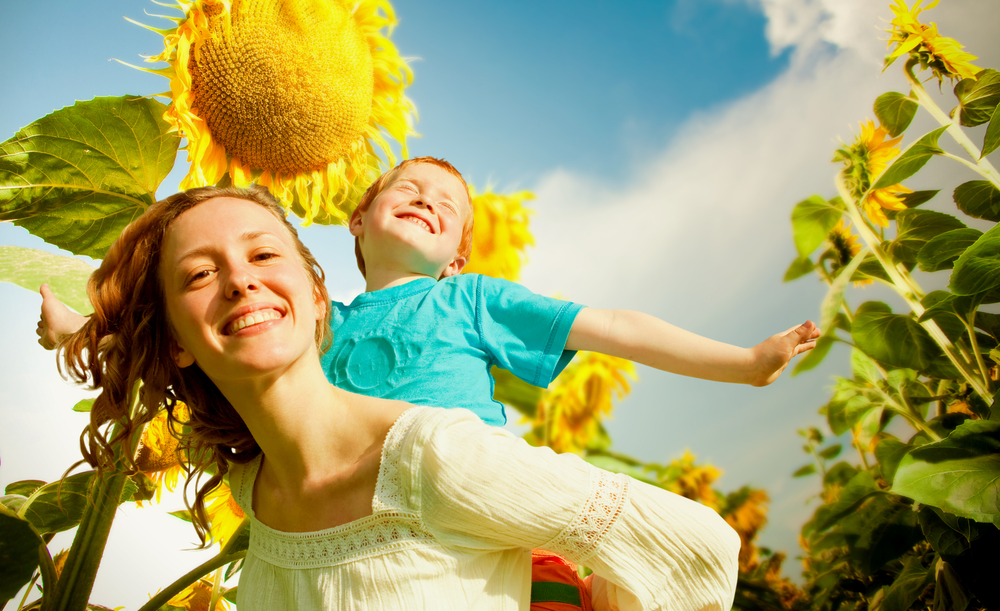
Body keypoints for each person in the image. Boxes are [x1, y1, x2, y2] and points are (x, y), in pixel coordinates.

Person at [55, 186, 741, 611]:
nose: (241, 280)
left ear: (317, 295)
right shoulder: (250, 491)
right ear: (175, 339)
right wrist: (80, 331)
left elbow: (694, 555)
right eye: (200, 274)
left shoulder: (432, 455)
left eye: (265, 254)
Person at [39, 156, 820, 429]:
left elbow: (611, 325)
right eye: (408, 187)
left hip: (471, 482)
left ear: (455, 258)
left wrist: (744, 361)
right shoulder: (315, 318)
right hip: (368, 508)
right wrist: (80, 329)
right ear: (357, 219)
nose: (429, 199)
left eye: (449, 209)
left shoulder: (470, 300)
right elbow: (200, 329)